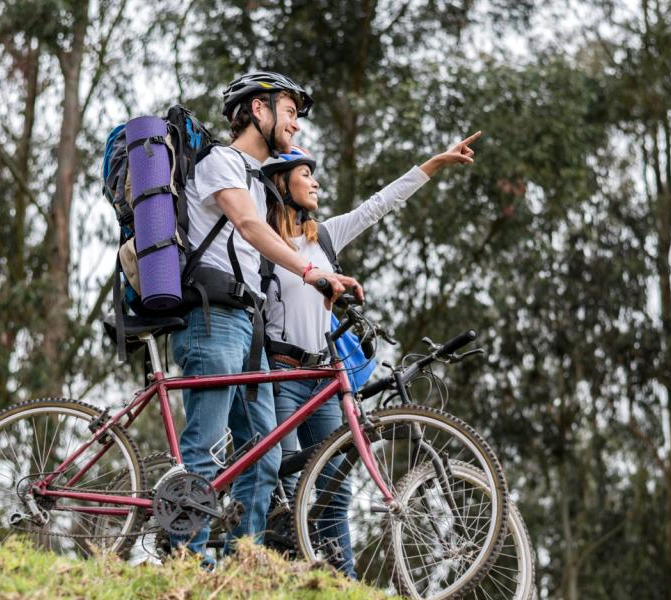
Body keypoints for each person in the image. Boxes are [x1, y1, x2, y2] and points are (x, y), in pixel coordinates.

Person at [259, 132, 481, 576]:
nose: (316, 183)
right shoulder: (259, 239)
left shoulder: (324, 237)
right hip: (279, 378)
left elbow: (379, 205)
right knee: (280, 488)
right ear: (282, 183)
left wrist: (433, 164)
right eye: (306, 174)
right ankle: (274, 576)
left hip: (323, 379)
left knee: (336, 489)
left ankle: (343, 583)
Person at [169, 71, 362, 560]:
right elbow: (251, 228)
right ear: (259, 110)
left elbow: (266, 233)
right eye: (291, 113)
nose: (295, 126)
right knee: (206, 445)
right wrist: (314, 273)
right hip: (212, 317)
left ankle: (246, 561)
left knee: (264, 453)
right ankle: (190, 561)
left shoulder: (256, 181)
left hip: (243, 324)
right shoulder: (221, 161)